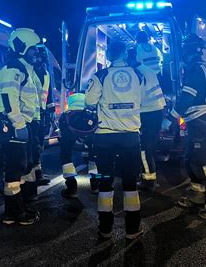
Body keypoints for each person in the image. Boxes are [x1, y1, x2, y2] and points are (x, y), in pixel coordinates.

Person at [163, 34, 206, 220]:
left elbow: (187, 98)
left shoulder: (195, 69)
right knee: (190, 159)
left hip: (201, 120)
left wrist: (170, 119)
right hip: (199, 121)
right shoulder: (205, 67)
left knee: (203, 161)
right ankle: (198, 196)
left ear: (188, 50)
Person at [85, 41, 145, 240]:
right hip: (130, 137)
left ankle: (105, 229)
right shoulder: (139, 76)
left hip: (104, 139)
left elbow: (90, 101)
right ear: (126, 55)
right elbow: (141, 99)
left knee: (104, 182)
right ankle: (132, 229)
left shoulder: (100, 76)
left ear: (109, 56)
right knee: (130, 183)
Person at [0, 27, 42, 225]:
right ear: (22, 48)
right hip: (14, 125)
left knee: (23, 166)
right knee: (15, 168)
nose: (36, 53)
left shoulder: (23, 70)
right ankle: (13, 213)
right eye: (33, 49)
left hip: (22, 124)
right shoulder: (13, 70)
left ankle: (18, 208)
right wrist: (19, 124)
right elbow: (8, 99)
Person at [58, 93, 99, 198]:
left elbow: (61, 133)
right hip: (90, 133)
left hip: (70, 131)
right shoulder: (90, 114)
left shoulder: (66, 116)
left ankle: (72, 188)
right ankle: (96, 185)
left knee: (66, 155)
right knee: (94, 156)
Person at [136, 62, 166, 191]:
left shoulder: (136, 72)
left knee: (144, 148)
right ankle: (150, 175)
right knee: (150, 147)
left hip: (146, 113)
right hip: (158, 111)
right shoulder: (148, 70)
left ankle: (148, 180)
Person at [31, 44, 52, 186]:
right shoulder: (29, 71)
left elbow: (47, 94)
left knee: (38, 145)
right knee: (31, 145)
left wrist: (50, 113)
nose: (40, 59)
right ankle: (31, 175)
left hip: (40, 113)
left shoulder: (45, 72)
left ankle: (37, 173)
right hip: (29, 114)